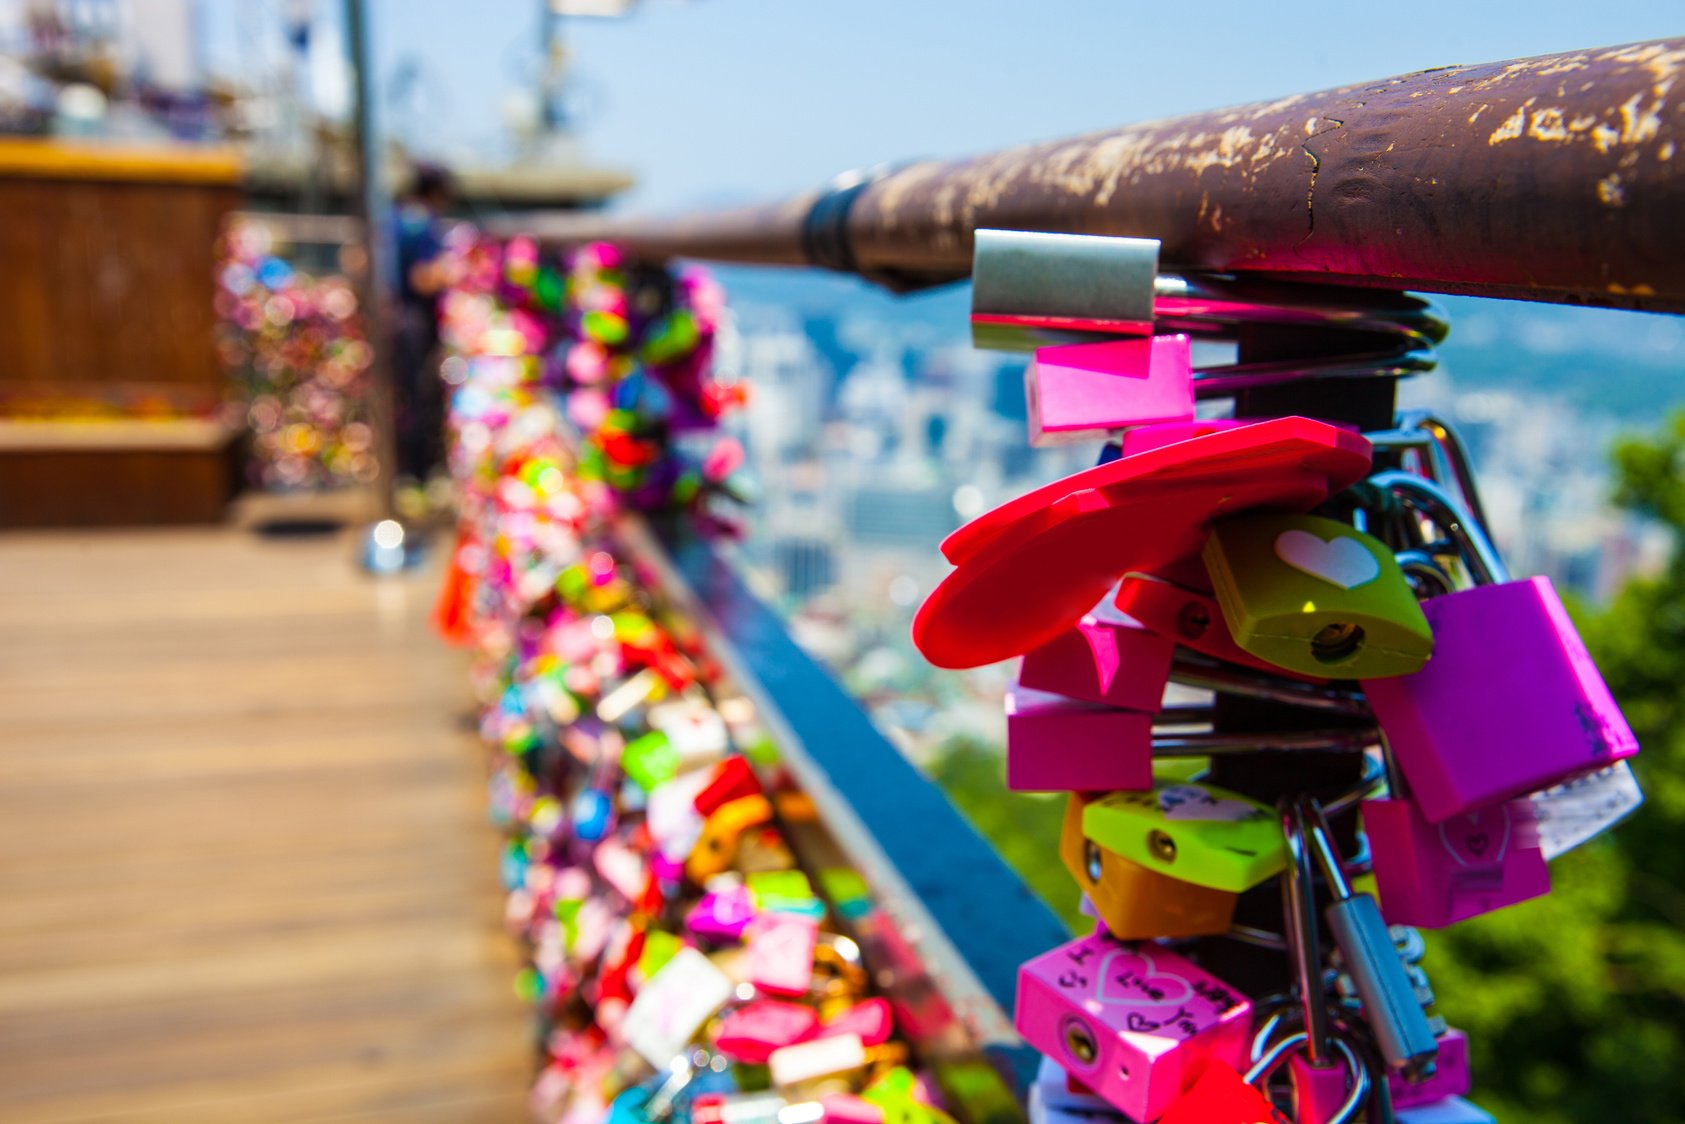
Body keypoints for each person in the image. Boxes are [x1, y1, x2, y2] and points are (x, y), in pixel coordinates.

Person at [391, 161, 458, 493]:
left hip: (390, 318)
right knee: (422, 399)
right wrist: (456, 273)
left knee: (401, 398)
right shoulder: (423, 223)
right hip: (415, 321)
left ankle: (404, 473)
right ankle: (420, 476)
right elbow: (423, 278)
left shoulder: (393, 216)